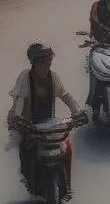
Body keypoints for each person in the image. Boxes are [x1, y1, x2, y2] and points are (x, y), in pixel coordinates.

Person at [8, 43, 87, 185]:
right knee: (25, 147)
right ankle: (28, 176)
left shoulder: (53, 77)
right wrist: (16, 119)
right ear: (35, 61)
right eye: (45, 60)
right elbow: (19, 101)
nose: (48, 63)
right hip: (29, 125)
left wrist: (78, 112)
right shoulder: (25, 78)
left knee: (66, 146)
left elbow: (65, 96)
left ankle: (67, 182)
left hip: (50, 125)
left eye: (50, 59)